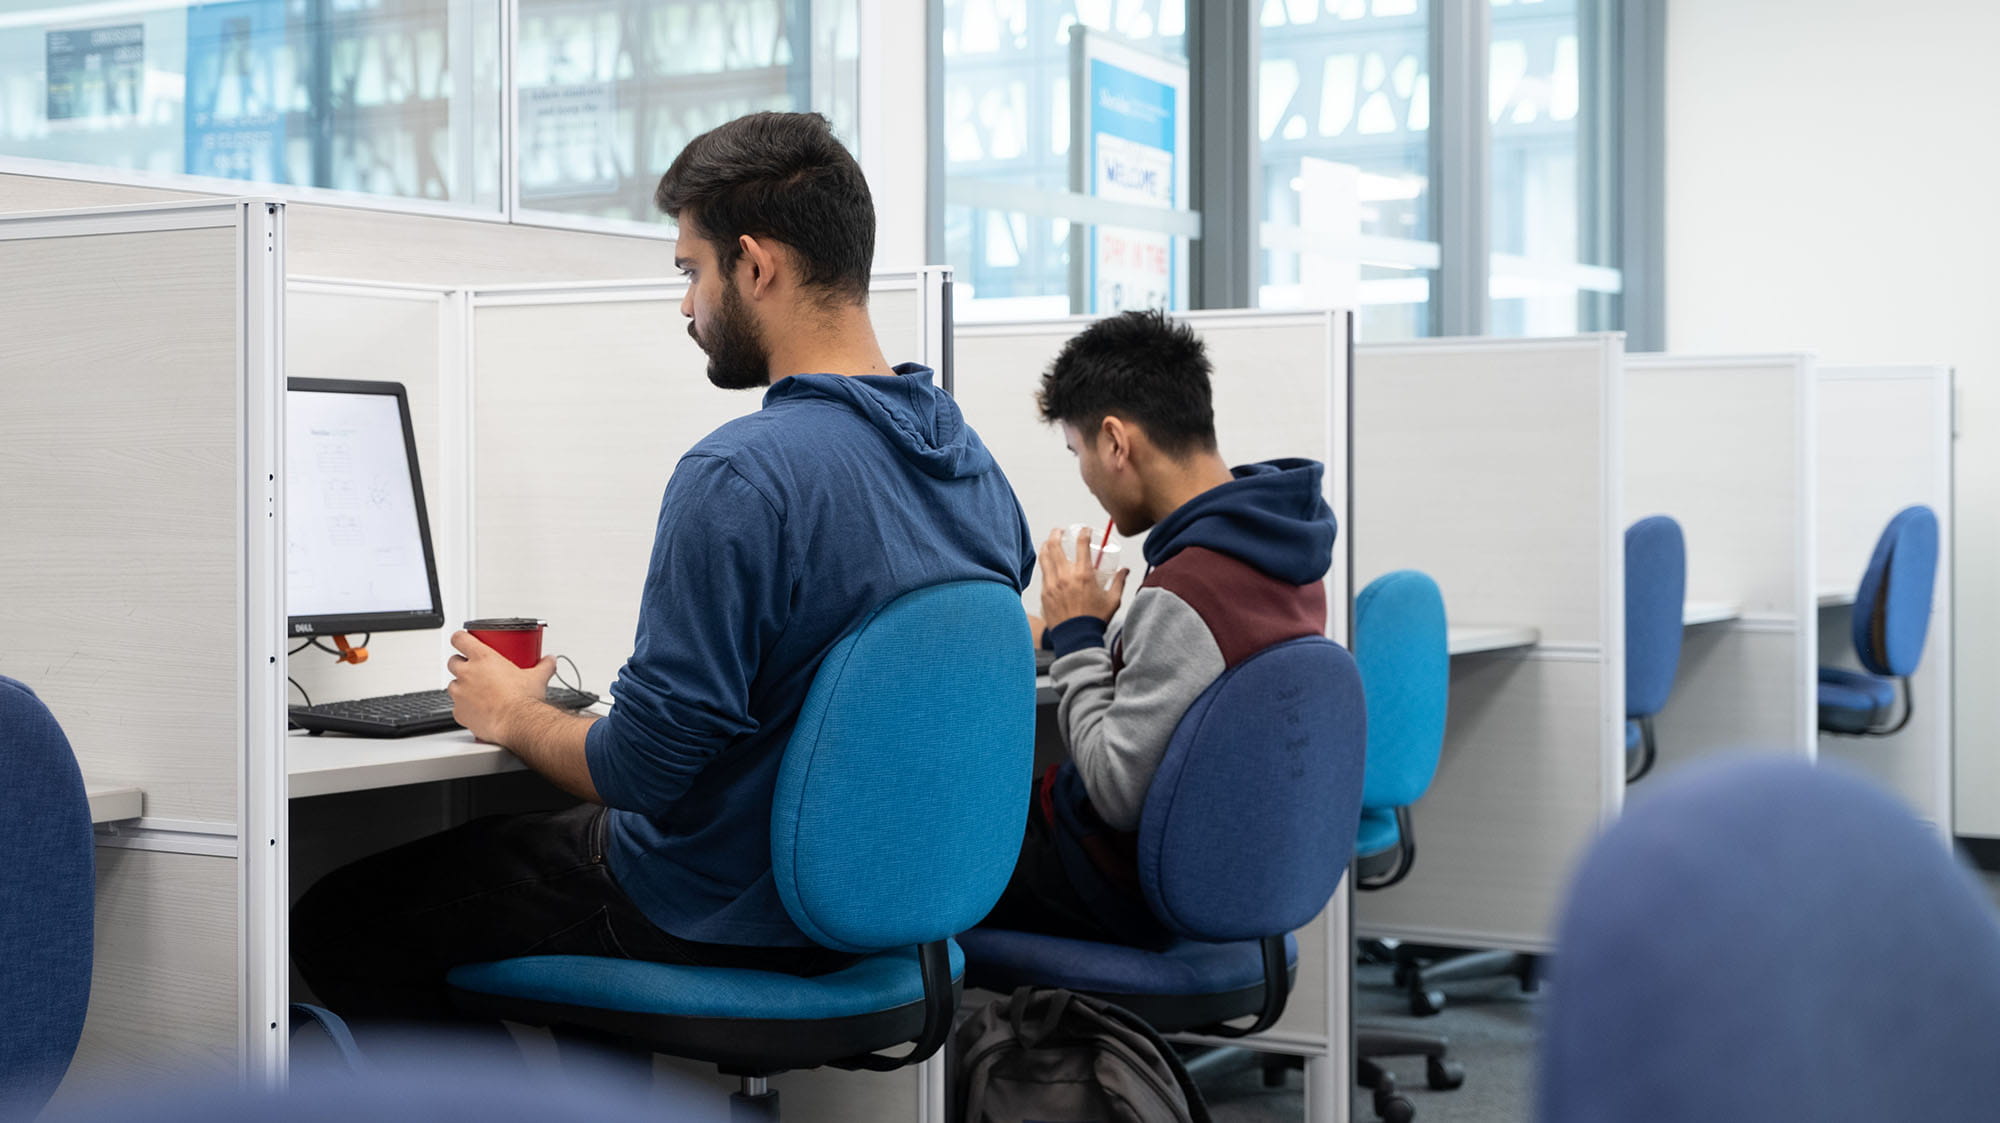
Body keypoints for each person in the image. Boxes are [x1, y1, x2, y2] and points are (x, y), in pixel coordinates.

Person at [293, 111, 1036, 1022]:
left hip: (710, 906)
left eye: (692, 270)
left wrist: (515, 712)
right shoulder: (969, 465)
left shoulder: (744, 474)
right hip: (890, 918)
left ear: (756, 265)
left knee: (339, 917)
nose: (688, 305)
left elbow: (641, 771)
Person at [982, 309, 1337, 946]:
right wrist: (1078, 629)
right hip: (1224, 860)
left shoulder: (1189, 585)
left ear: (1116, 442)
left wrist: (1080, 641)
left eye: (1078, 451)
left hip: (1110, 879)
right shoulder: (1283, 552)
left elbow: (1115, 789)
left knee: (929, 851)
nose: (1085, 477)